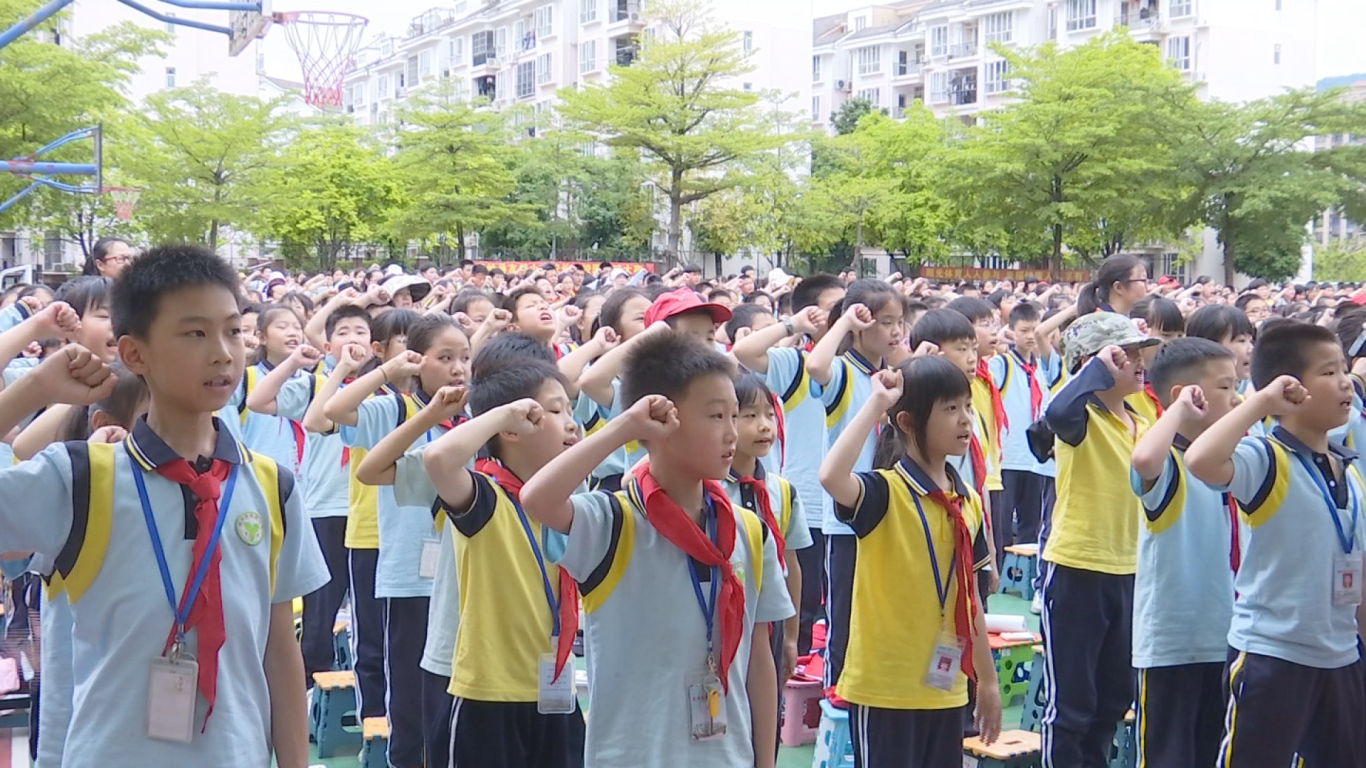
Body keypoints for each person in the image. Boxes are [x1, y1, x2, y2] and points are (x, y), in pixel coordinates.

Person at [0, 244, 327, 768]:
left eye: (232, 331)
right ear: (134, 354)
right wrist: (36, 388)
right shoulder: (81, 478)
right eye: (195, 333)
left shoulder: (272, 486)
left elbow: (279, 651)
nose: (222, 352)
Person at [521, 330, 792, 768]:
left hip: (728, 757)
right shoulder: (612, 522)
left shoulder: (748, 531)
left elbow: (760, 661)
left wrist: (765, 761)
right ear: (662, 419)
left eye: (734, 415)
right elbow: (537, 498)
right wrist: (625, 428)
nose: (731, 433)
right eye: (716, 416)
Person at [364, 360, 588, 767]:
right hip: (482, 686)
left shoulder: (572, 501)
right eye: (555, 410)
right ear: (513, 425)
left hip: (553, 683)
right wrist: (497, 415)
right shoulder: (484, 493)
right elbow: (425, 461)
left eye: (569, 409)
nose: (572, 423)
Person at [1186, 320, 1366, 767]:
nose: (1345, 382)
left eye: (1344, 370)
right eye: (1328, 372)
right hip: (1272, 653)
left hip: (1341, 655)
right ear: (1290, 387)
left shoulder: (1351, 473)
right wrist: (1262, 402)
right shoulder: (1266, 457)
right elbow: (1201, 459)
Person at [820, 356, 1001, 765]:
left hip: (946, 688)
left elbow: (971, 598)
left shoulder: (968, 502)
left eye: (967, 405)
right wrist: (876, 405)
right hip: (885, 690)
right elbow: (831, 476)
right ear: (906, 421)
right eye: (950, 408)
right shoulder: (884, 493)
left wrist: (987, 681)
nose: (965, 418)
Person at [323, 313, 472, 768]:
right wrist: (387, 370)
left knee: (456, 691)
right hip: (410, 575)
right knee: (409, 697)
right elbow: (335, 411)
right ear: (417, 361)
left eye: (465, 357)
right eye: (444, 358)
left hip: (464, 574)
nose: (457, 368)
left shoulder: (473, 419)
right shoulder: (397, 409)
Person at [1040, 311, 1159, 768]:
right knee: (1072, 704)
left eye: (1138, 353)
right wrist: (1095, 369)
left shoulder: (1142, 419)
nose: (1138, 362)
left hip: (1131, 570)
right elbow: (1056, 413)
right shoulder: (1079, 416)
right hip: (1078, 567)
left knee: (1114, 695)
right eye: (1124, 354)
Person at [301, 310, 418, 730]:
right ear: (381, 350)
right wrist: (352, 369)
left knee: (414, 639)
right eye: (404, 342)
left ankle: (412, 724)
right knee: (372, 640)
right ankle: (376, 725)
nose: (414, 352)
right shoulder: (370, 399)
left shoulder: (439, 401)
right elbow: (317, 419)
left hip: (422, 538)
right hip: (371, 532)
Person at [245, 304, 372, 688]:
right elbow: (259, 401)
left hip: (371, 513)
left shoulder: (383, 390)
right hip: (326, 507)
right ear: (327, 345)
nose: (353, 339)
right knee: (320, 611)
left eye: (361, 332)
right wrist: (295, 363)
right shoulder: (317, 385)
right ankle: (305, 690)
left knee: (367, 611)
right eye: (343, 332)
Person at [1127, 338, 1240, 768]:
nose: (1236, 398)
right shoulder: (1169, 463)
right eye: (1225, 387)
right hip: (1172, 645)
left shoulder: (1235, 463)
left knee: (1214, 753)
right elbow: (1143, 459)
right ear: (1186, 395)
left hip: (1226, 637)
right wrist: (1177, 410)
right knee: (1168, 756)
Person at [729, 274, 843, 654]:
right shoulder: (799, 363)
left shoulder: (867, 368)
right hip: (809, 499)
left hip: (850, 500)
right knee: (802, 599)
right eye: (835, 309)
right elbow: (745, 353)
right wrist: (793, 325)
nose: (847, 315)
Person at [815, 279, 905, 694]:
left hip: (890, 512)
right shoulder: (844, 373)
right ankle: (837, 700)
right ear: (861, 324)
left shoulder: (892, 375)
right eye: (885, 322)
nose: (895, 331)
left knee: (883, 617)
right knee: (844, 622)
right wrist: (845, 322)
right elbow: (816, 368)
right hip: (846, 518)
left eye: (900, 321)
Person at [722, 373, 811, 690]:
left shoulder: (782, 491)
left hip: (770, 620)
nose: (764, 426)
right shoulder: (707, 488)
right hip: (724, 619)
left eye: (770, 415)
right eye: (750, 416)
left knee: (766, 702)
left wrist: (791, 636)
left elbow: (791, 567)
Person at [990, 301, 1053, 565]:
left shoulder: (1044, 367)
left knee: (1032, 525)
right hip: (1008, 457)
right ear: (1012, 331)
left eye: (1034, 330)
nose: (1030, 336)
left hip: (1035, 460)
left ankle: (1027, 575)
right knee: (1003, 525)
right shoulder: (1001, 364)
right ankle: (1001, 573)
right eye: (1024, 330)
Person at [1076, 254, 1148, 317]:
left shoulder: (1130, 320)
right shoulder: (1100, 323)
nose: (1147, 284)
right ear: (1118, 287)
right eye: (1143, 280)